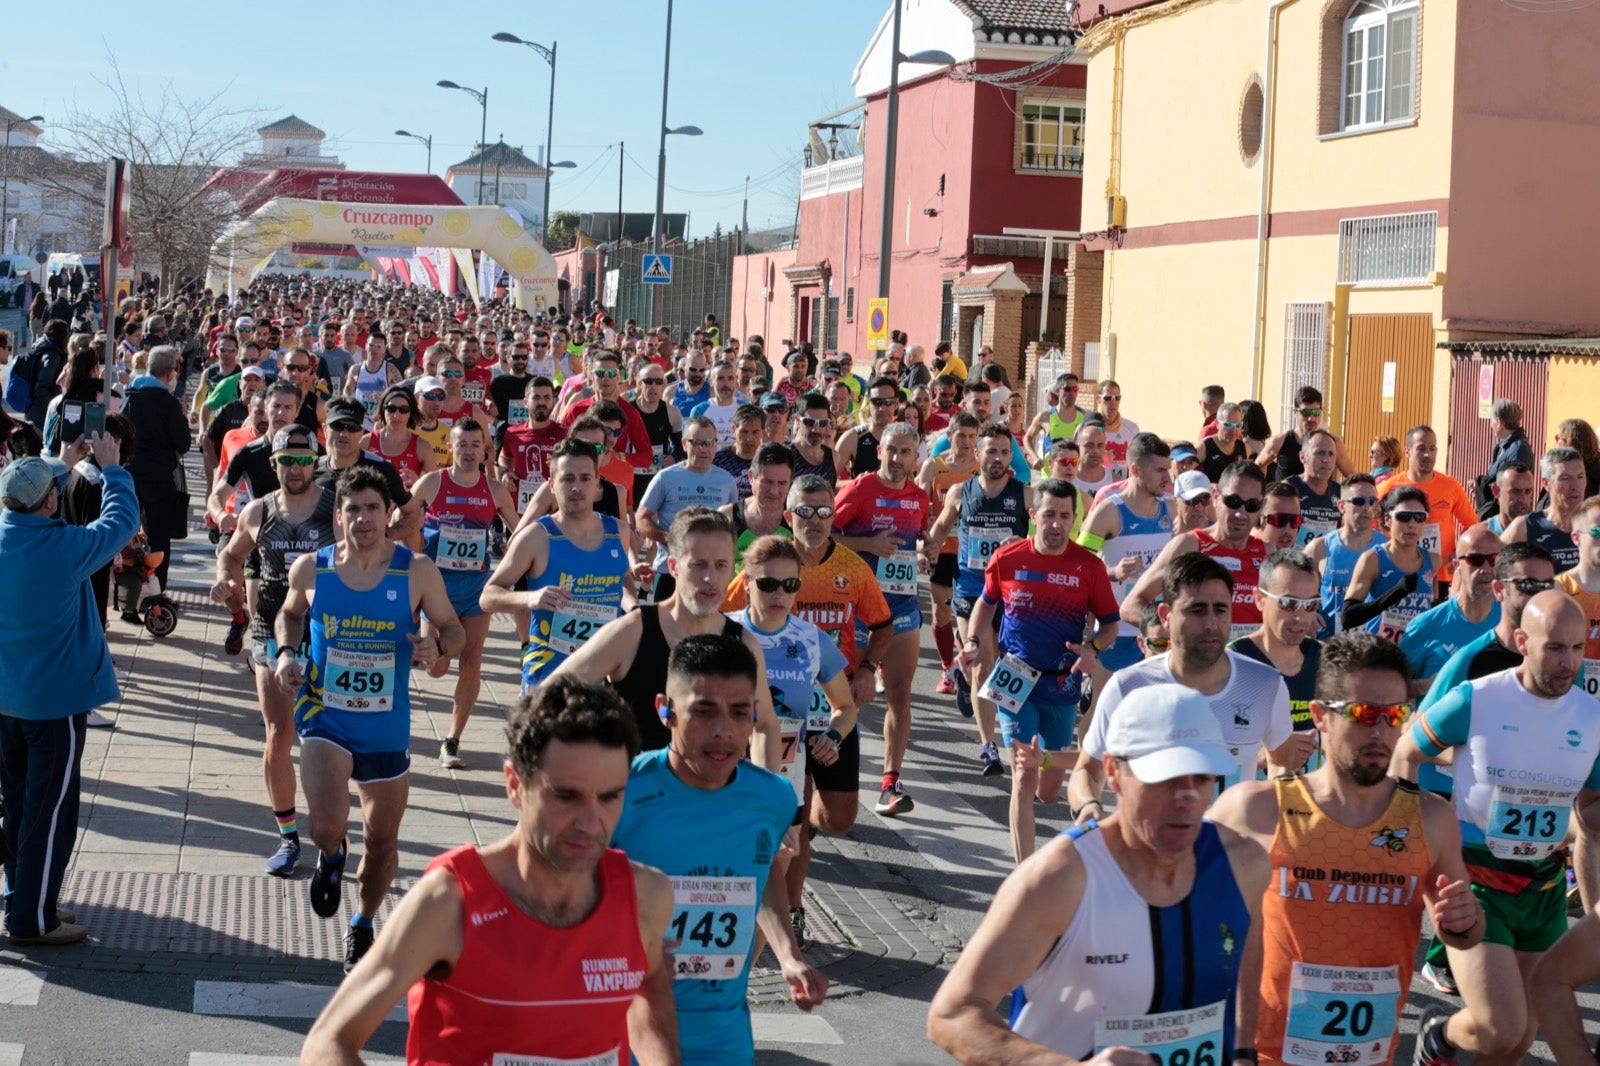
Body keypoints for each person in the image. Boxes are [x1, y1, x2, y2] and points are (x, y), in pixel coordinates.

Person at [301, 677, 677, 1062]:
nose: (590, 822)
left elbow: (651, 1006)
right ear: (515, 784)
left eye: (610, 796)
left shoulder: (645, 896)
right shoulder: (450, 901)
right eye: (566, 796)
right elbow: (327, 1043)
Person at [928, 683, 1269, 1063]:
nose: (1186, 797)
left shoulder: (1244, 864)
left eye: (1202, 778)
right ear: (1113, 772)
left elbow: (1245, 959)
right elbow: (952, 1014)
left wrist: (1242, 1051)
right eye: (1165, 777)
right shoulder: (1060, 878)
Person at [1206, 630, 1486, 1066]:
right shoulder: (1255, 810)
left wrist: (1463, 922)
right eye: (1363, 713)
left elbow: (1464, 936)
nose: (1380, 730)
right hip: (1264, 1053)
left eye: (1395, 716)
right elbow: (1181, 918)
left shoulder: (1431, 818)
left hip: (1368, 1053)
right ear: (1320, 715)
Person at [1394, 591, 1600, 1066]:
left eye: (1576, 648)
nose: (1568, 662)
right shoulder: (1478, 699)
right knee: (1501, 1024)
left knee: (1519, 1039)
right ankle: (1441, 1031)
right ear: (1523, 641)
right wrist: (1408, 837)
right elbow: (1407, 751)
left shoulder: (1592, 718)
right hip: (1476, 879)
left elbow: (1590, 808)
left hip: (1544, 885)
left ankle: (1446, 1039)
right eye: (1554, 648)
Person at [274, 466, 465, 971]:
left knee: (382, 843)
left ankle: (362, 923)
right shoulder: (314, 568)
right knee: (327, 825)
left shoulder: (416, 570)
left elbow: (454, 629)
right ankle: (331, 856)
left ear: (388, 515)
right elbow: (290, 613)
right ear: (339, 516)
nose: (362, 518)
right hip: (324, 715)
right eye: (352, 509)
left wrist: (437, 644)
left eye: (372, 508)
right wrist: (286, 653)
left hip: (385, 725)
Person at [610, 635, 827, 1064]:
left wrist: (789, 956)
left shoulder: (774, 798)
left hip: (721, 1033)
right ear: (665, 710)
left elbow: (761, 876)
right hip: (626, 1027)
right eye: (703, 711)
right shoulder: (619, 792)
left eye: (739, 712)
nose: (723, 730)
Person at [0, 436, 137, 945]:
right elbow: (120, 524)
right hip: (54, 706)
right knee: (50, 814)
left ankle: (25, 899)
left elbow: (30, 489)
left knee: (17, 805)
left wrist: (64, 457)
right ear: (51, 502)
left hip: (6, 700)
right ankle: (33, 920)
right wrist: (113, 469)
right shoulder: (63, 548)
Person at [724, 474, 888, 900]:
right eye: (804, 511)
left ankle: (803, 826)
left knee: (837, 821)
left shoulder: (849, 571)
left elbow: (883, 624)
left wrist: (868, 667)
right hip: (752, 742)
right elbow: (711, 613)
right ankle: (787, 910)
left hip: (824, 708)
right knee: (761, 842)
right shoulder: (761, 567)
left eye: (823, 512)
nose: (780, 592)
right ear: (788, 515)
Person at [1412, 540, 1555, 994]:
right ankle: (1442, 961)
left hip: (1531, 822)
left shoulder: (1556, 659)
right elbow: (1417, 734)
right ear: (1499, 590)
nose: (1537, 593)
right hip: (1466, 816)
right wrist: (1480, 756)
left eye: (1547, 584)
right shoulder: (1472, 660)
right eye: (1526, 584)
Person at [1071, 552, 1301, 820]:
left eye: (1220, 609)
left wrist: (1274, 819)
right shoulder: (1128, 686)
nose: (1211, 623)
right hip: (1149, 855)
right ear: (1165, 616)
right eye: (1197, 610)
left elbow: (1283, 760)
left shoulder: (1265, 684)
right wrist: (1089, 809)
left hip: (1227, 855)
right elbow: (1087, 771)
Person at [960, 479, 1119, 862]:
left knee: (1047, 791)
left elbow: (1110, 624)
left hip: (1062, 685)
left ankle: (1041, 788)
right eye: (1049, 515)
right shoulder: (1009, 558)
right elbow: (985, 605)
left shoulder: (1089, 567)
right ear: (1033, 517)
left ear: (1074, 519)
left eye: (1065, 516)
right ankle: (1024, 874)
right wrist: (973, 643)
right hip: (1015, 679)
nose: (1056, 524)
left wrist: (1092, 647)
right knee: (1022, 775)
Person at [552, 508, 780, 767]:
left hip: (712, 803)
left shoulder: (743, 644)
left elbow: (765, 725)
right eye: (698, 565)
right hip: (637, 800)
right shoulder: (634, 630)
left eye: (721, 565)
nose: (710, 578)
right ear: (673, 566)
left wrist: (767, 796)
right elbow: (549, 694)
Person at [211, 425, 338, 877]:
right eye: (288, 460)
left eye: (304, 460)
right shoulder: (259, 511)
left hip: (328, 633)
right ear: (274, 463)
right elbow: (231, 555)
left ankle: (331, 833)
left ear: (316, 462)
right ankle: (287, 838)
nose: (296, 468)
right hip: (270, 630)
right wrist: (226, 578)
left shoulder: (334, 510)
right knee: (278, 735)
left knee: (329, 740)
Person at [727, 536, 857, 943]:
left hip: (784, 775)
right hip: (725, 772)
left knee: (775, 870)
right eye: (767, 584)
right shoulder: (723, 631)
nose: (779, 594)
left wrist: (832, 738)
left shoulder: (811, 638)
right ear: (746, 581)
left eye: (790, 585)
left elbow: (846, 708)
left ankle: (752, 955)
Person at [833, 423, 931, 816]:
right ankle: (834, 775)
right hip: (859, 610)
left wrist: (926, 550)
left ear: (914, 457)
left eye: (905, 452)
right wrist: (867, 545)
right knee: (849, 696)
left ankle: (890, 782)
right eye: (891, 450)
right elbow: (825, 535)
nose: (896, 458)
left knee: (901, 694)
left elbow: (916, 539)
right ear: (880, 451)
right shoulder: (859, 490)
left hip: (903, 608)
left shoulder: (919, 497)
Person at [483, 438, 634, 691]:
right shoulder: (536, 536)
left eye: (585, 478)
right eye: (567, 479)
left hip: (602, 679)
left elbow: (625, 586)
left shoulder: (618, 531)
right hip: (548, 680)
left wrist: (636, 613)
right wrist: (529, 599)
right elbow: (488, 596)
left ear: (597, 483)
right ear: (552, 485)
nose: (577, 487)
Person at [411, 419, 519, 769]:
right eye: (463, 445)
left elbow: (519, 531)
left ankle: (452, 741)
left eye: (477, 445)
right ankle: (435, 652)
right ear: (452, 449)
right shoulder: (433, 483)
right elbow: (404, 520)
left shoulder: (494, 489)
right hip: (437, 591)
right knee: (436, 668)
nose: (470, 451)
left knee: (472, 659)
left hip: (475, 589)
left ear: (484, 450)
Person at [926, 425, 1032, 773]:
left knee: (1007, 664)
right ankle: (989, 746)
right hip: (972, 591)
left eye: (1004, 452)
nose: (998, 458)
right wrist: (926, 548)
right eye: (991, 451)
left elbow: (1050, 530)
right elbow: (940, 530)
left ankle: (965, 675)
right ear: (978, 455)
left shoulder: (1025, 495)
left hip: (1013, 593)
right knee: (986, 663)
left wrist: (1018, 542)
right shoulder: (960, 492)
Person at [1123, 460, 1270, 645]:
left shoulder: (1267, 552)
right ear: (1215, 496)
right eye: (1233, 501)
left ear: (1262, 506)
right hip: (1200, 667)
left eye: (1251, 505)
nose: (1241, 513)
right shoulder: (1190, 545)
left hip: (1250, 668)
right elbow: (1131, 606)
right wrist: (1176, 633)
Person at [1078, 433, 1175, 674]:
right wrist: (1112, 572)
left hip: (1157, 629)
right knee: (1106, 707)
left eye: (1168, 469)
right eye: (1160, 470)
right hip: (1116, 631)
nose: (1168, 478)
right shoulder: (1108, 512)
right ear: (1135, 470)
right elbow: (1077, 565)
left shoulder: (1173, 509)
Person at [1229, 549, 1324, 774]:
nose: (1300, 616)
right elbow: (1202, 746)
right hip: (1248, 801)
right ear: (1259, 600)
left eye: (1310, 604)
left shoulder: (1325, 660)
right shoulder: (1232, 662)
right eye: (1288, 603)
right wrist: (1266, 755)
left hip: (1306, 800)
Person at [636, 415, 738, 597]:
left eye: (709, 442)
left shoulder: (727, 481)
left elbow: (733, 525)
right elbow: (641, 518)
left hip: (710, 575)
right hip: (670, 572)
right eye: (697, 442)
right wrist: (670, 538)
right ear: (684, 444)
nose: (703, 449)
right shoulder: (666, 478)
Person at [1400, 524, 1504, 689]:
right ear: (1456, 565)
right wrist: (1427, 686)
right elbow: (1393, 687)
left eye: (1493, 560)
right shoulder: (1425, 625)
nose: (1485, 569)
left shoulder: (1512, 622)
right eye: (1475, 560)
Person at [919, 412, 981, 687]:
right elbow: (922, 507)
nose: (967, 442)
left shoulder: (983, 468)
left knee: (971, 611)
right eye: (961, 436)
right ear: (949, 436)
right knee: (940, 610)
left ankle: (967, 659)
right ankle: (947, 668)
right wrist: (922, 542)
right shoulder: (934, 467)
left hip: (973, 551)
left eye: (971, 436)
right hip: (942, 547)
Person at [122, 346, 191, 591]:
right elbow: (183, 443)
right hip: (159, 479)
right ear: (170, 373)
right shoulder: (168, 403)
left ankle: (127, 592)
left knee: (126, 533)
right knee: (159, 537)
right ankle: (156, 590)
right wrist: (182, 416)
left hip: (130, 475)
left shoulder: (130, 396)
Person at [1376, 425, 1478, 583]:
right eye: (1421, 448)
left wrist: (1459, 553)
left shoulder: (1450, 486)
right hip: (1398, 573)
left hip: (1441, 574)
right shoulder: (1388, 488)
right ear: (1407, 451)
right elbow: (1372, 526)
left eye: (1432, 449)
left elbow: (1472, 525)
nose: (1427, 454)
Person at [1341, 485, 1439, 641]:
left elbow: (1432, 607)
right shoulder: (1373, 559)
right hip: (1381, 656)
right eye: (1404, 517)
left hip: (1417, 653)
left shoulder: (1433, 560)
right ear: (1388, 520)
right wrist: (1396, 593)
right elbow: (1348, 618)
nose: (1412, 524)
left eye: (1419, 517)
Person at [1306, 473, 1380, 639]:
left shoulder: (1386, 548)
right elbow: (1296, 591)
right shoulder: (1319, 548)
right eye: (1359, 501)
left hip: (1372, 646)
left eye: (1372, 502)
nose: (1367, 507)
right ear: (1341, 506)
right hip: (1328, 644)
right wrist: (1309, 613)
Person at [1501, 445, 1584, 574]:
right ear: (1546, 484)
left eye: (1580, 477)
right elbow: (1490, 568)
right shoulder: (1526, 527)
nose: (1575, 486)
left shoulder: (1594, 525)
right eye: (1565, 478)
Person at [1258, 386, 1355, 480]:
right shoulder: (1280, 441)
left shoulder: (1333, 443)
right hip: (1286, 495)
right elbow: (1256, 468)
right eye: (1305, 413)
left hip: (1319, 496)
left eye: (1316, 412)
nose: (1311, 418)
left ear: (1321, 412)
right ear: (1295, 412)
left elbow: (1353, 478)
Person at [720, 443, 793, 566]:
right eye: (767, 482)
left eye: (782, 483)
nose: (774, 491)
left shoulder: (798, 518)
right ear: (751, 477)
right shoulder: (727, 517)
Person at [367, 385, 437, 490]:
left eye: (403, 410)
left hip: (407, 505)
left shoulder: (422, 446)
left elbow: (435, 489)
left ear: (410, 413)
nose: (396, 415)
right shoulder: (365, 442)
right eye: (391, 409)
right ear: (383, 410)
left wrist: (417, 482)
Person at [1286, 428, 1341, 549]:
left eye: (1331, 454)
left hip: (1326, 565)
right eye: (1320, 453)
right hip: (1293, 563)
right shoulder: (1287, 489)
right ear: (1302, 457)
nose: (1326, 460)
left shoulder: (1341, 494)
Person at [788, 391, 837, 487]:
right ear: (797, 421)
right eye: (809, 422)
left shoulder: (833, 457)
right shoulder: (784, 455)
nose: (816, 429)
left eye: (822, 423)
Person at [1484, 461, 1536, 536]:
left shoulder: (1543, 536)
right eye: (1515, 491)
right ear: (1496, 491)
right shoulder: (1480, 539)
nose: (1523, 499)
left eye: (1528, 491)